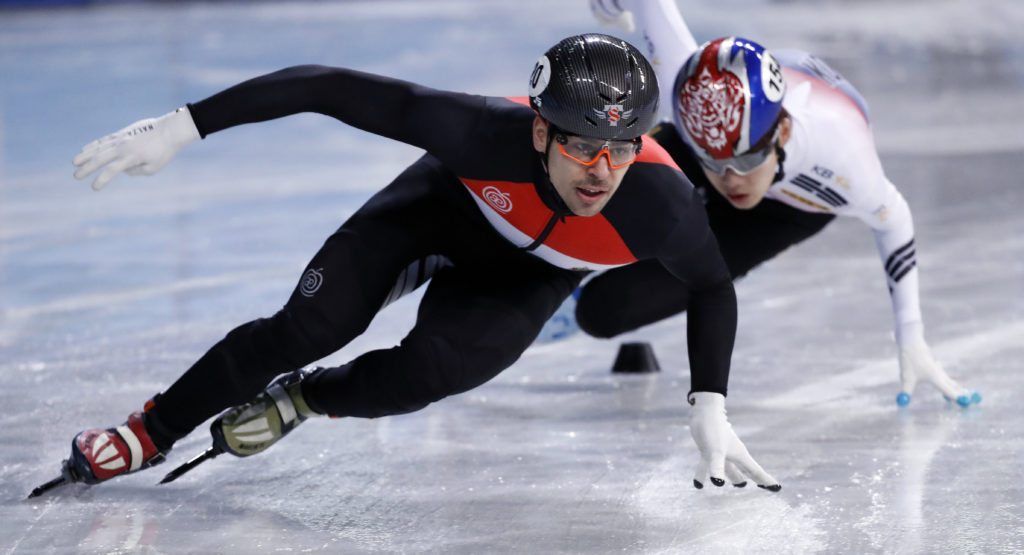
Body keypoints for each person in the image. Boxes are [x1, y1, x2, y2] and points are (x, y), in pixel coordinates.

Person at [57, 33, 781, 494]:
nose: (601, 170)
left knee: (434, 373)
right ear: (539, 129)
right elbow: (326, 86)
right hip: (434, 212)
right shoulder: (478, 133)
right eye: (582, 145)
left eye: (620, 148)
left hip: (526, 276)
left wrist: (709, 399)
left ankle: (304, 398)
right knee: (308, 324)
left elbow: (712, 285)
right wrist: (184, 125)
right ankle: (152, 428)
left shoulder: (662, 205)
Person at [582, 0, 979, 408]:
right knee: (594, 199)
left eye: (747, 159)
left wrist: (910, 334)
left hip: (794, 207)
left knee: (604, 312)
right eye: (717, 164)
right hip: (705, 139)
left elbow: (893, 219)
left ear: (783, 132)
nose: (732, 179)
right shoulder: (685, 100)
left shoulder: (840, 159)